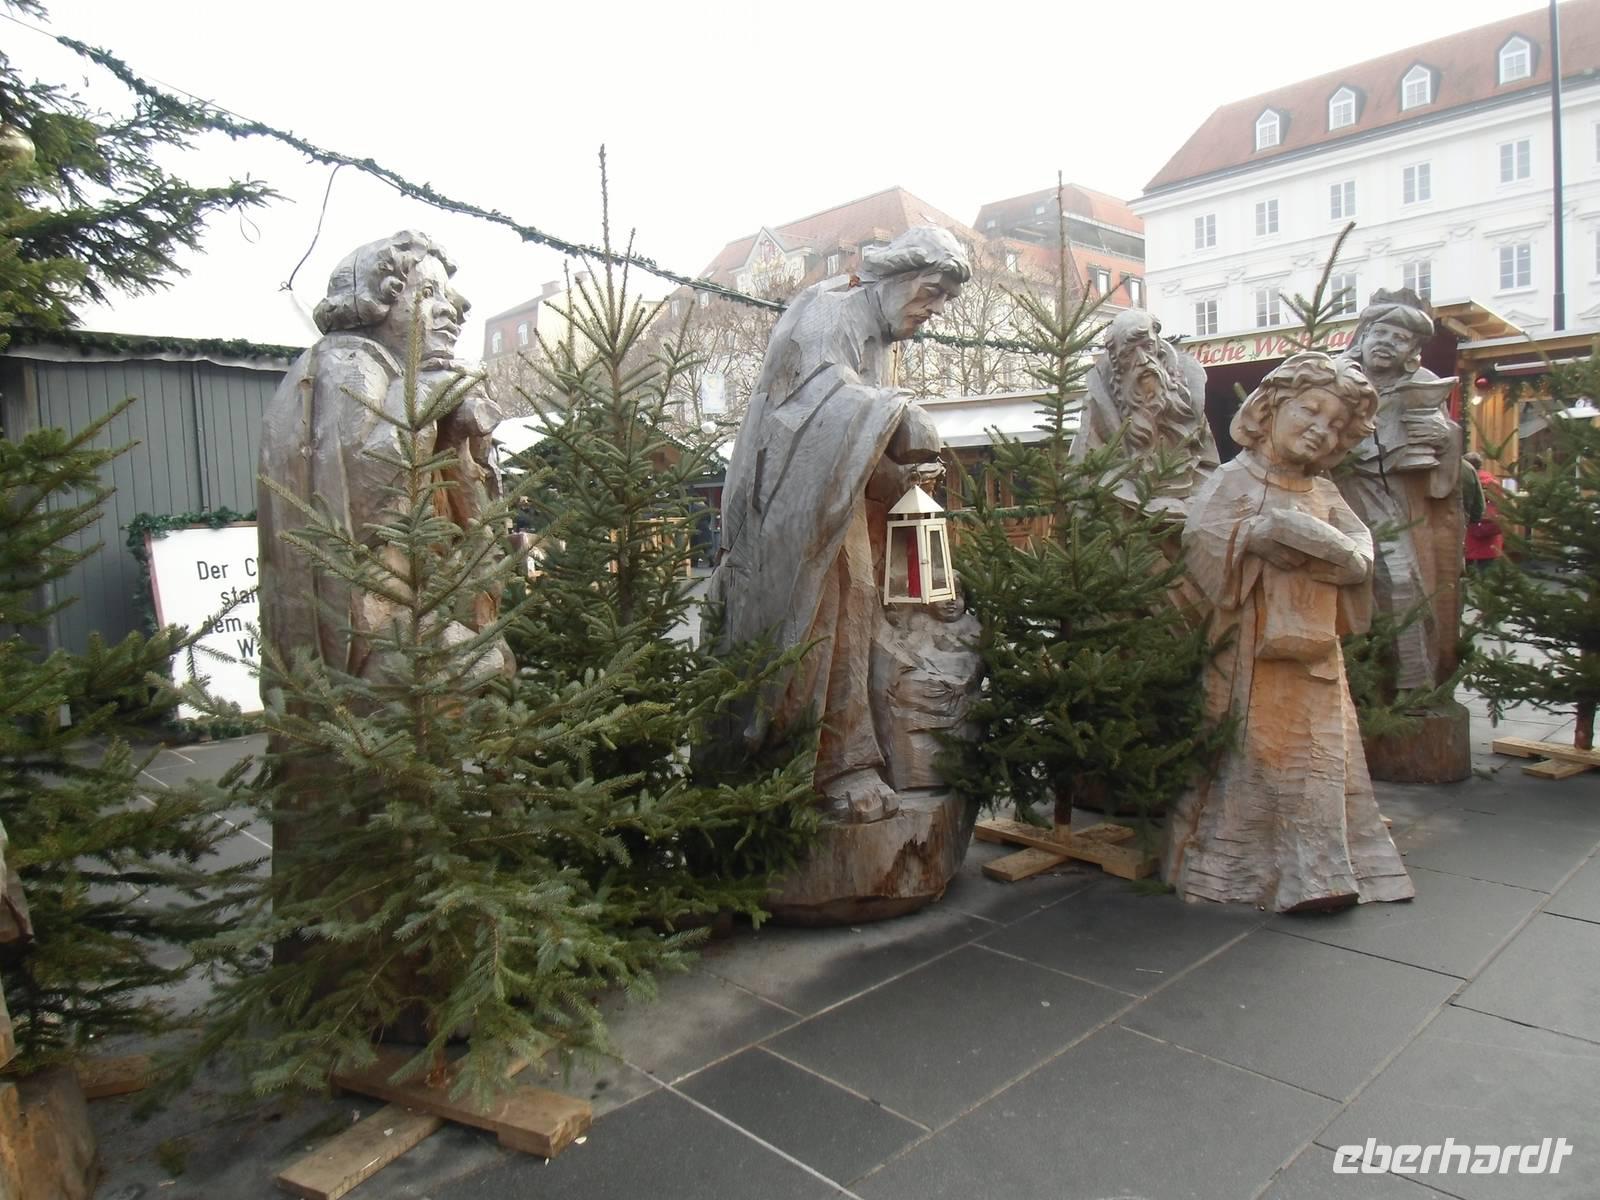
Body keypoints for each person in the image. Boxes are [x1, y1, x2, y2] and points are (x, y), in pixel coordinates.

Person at [712, 226, 970, 821]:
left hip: (836, 502)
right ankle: (821, 765)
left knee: (853, 610)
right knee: (819, 624)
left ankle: (846, 756)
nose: (932, 312)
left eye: (942, 301)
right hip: (790, 512)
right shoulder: (825, 313)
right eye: (929, 293)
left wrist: (896, 476)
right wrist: (896, 412)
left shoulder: (876, 333)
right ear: (898, 275)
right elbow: (807, 414)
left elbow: (856, 434)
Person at [1165, 352, 1415, 912]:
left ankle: (1322, 872)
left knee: (1322, 754)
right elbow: (1200, 546)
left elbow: (1362, 555)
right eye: (1311, 410)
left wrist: (1337, 555)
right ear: (1272, 407)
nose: (1319, 430)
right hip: (1245, 658)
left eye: (1334, 426)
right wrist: (1253, 537)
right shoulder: (1232, 479)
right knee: (1254, 754)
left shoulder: (1324, 494)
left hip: (1314, 656)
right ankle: (1238, 867)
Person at [258, 231, 509, 689]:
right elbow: (368, 492)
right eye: (428, 294)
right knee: (478, 664)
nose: (448, 311)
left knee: (488, 662)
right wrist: (430, 393)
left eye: (448, 298)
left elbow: (464, 499)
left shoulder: (400, 373)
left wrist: (460, 429)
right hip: (360, 627)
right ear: (378, 302)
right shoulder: (348, 364)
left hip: (407, 603)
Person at [1335, 289, 1461, 691]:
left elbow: (1447, 454)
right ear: (1365, 334)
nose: (1388, 343)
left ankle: (1412, 686)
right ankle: (1345, 686)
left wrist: (1442, 436)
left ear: (1412, 350)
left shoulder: (1423, 385)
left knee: (1402, 584)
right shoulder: (1333, 376)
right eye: (1382, 332)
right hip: (1326, 495)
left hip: (1388, 504)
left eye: (1401, 339)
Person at [1070, 308, 1217, 512]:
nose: (1142, 360)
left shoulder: (1187, 397)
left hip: (1189, 506)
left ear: (1157, 345)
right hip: (1126, 515)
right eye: (1129, 352)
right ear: (1117, 362)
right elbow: (1090, 472)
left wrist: (1195, 503)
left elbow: (1209, 466)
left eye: (1146, 347)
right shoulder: (1099, 405)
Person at [1463, 451, 1504, 570]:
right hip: (1491, 533)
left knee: (1467, 570)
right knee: (1487, 570)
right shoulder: (1494, 483)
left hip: (1471, 531)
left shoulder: (1467, 481)